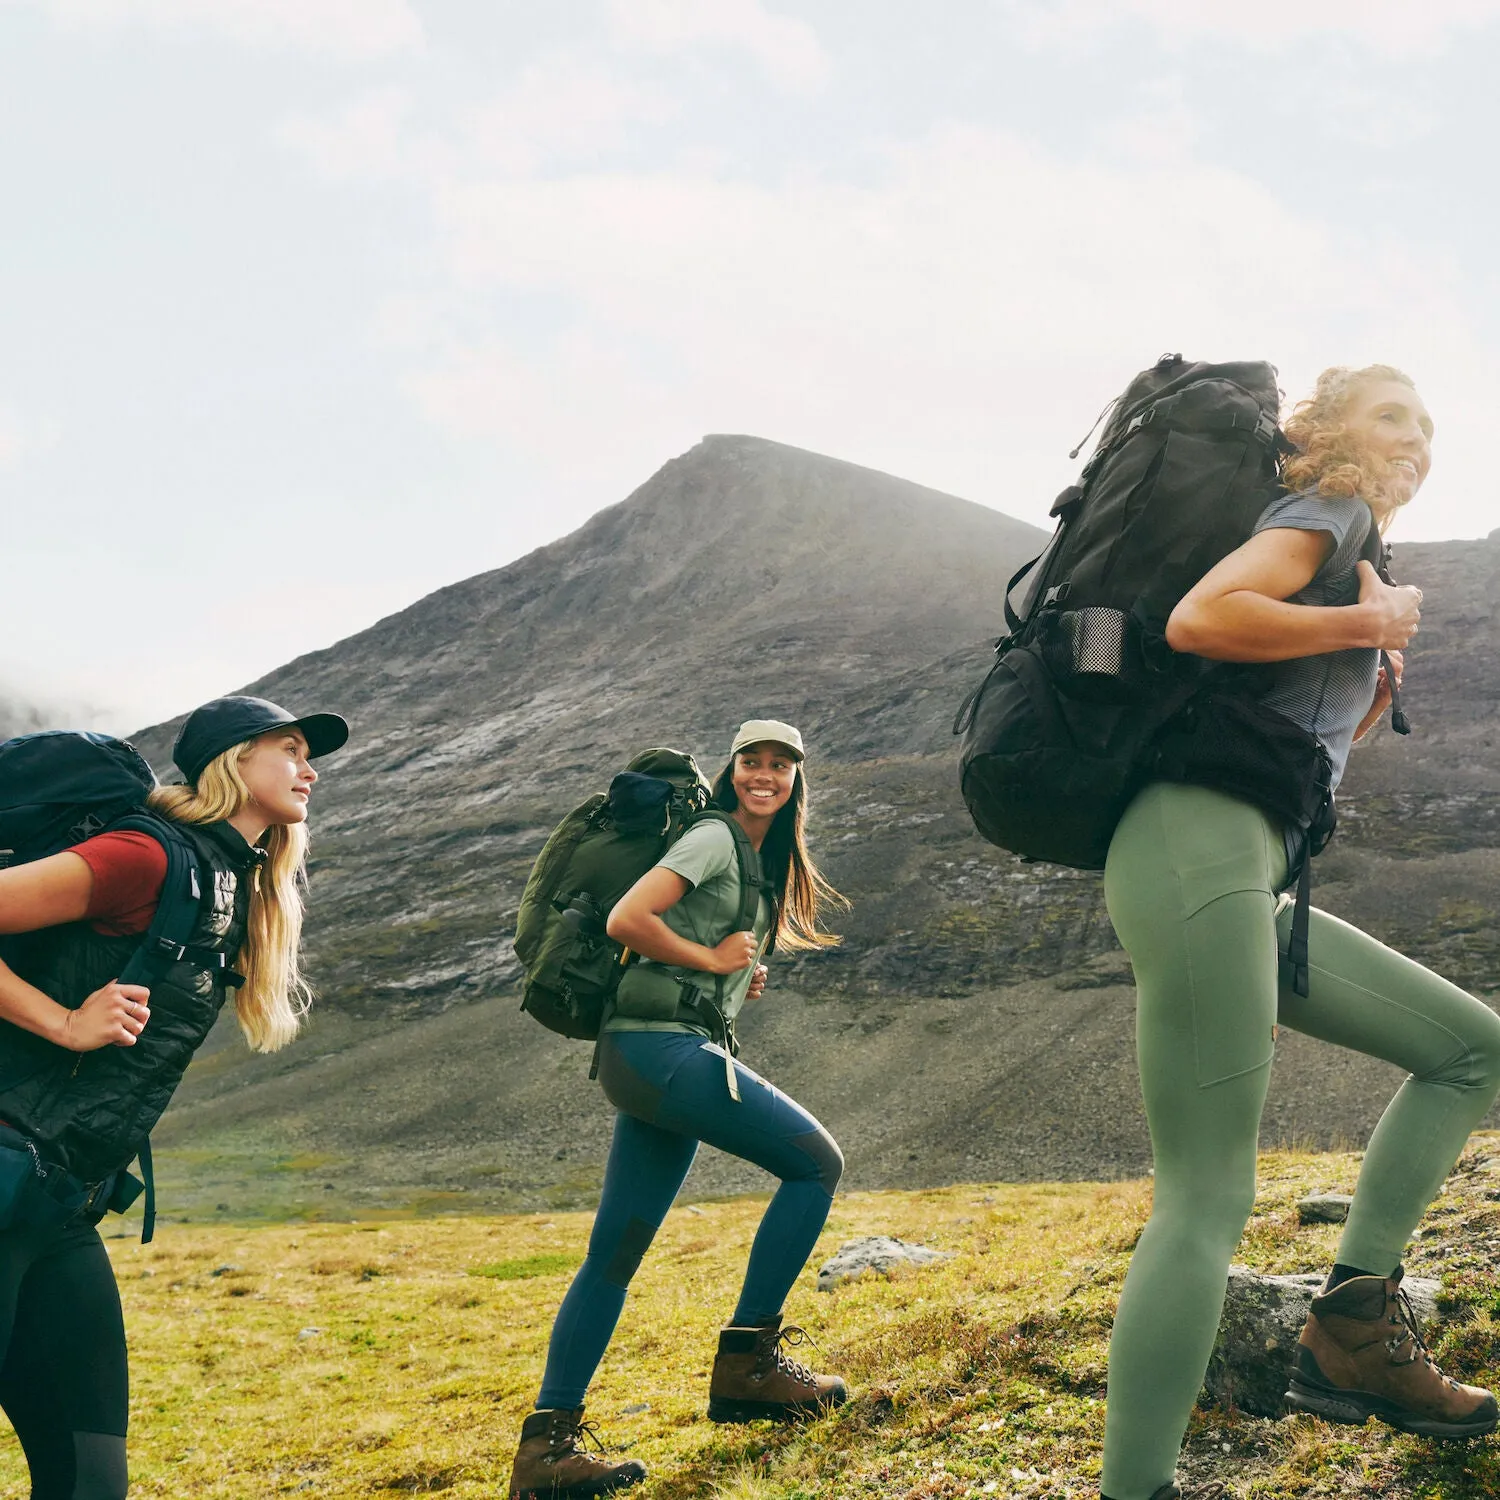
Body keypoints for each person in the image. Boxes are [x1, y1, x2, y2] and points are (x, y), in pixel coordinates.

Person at [1096, 365, 1500, 1500]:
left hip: (1239, 864)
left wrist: (1354, 701)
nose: (1415, 437)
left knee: (1471, 1047)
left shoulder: (1345, 539)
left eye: (1428, 424)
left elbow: (1261, 715)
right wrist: (1368, 619)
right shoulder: (1326, 514)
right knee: (1208, 1193)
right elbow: (1200, 619)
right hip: (1197, 854)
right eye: (1390, 415)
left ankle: (1354, 1330)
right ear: (1328, 434)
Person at [0, 695, 346, 1500]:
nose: (309, 768)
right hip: (7, 1174)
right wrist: (61, 1022)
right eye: (288, 749)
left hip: (56, 1206)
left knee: (90, 1477)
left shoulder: (228, 879)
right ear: (232, 762)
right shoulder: (149, 856)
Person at [507, 719, 850, 1500]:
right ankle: (749, 1364)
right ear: (731, 772)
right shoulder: (714, 838)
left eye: (781, 765)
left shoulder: (756, 859)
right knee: (816, 1165)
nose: (765, 775)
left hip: (652, 1055)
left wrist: (731, 982)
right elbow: (631, 919)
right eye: (752, 762)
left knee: (615, 1253)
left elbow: (688, 950)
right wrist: (709, 960)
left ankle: (546, 1448)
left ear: (797, 779)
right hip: (655, 1054)